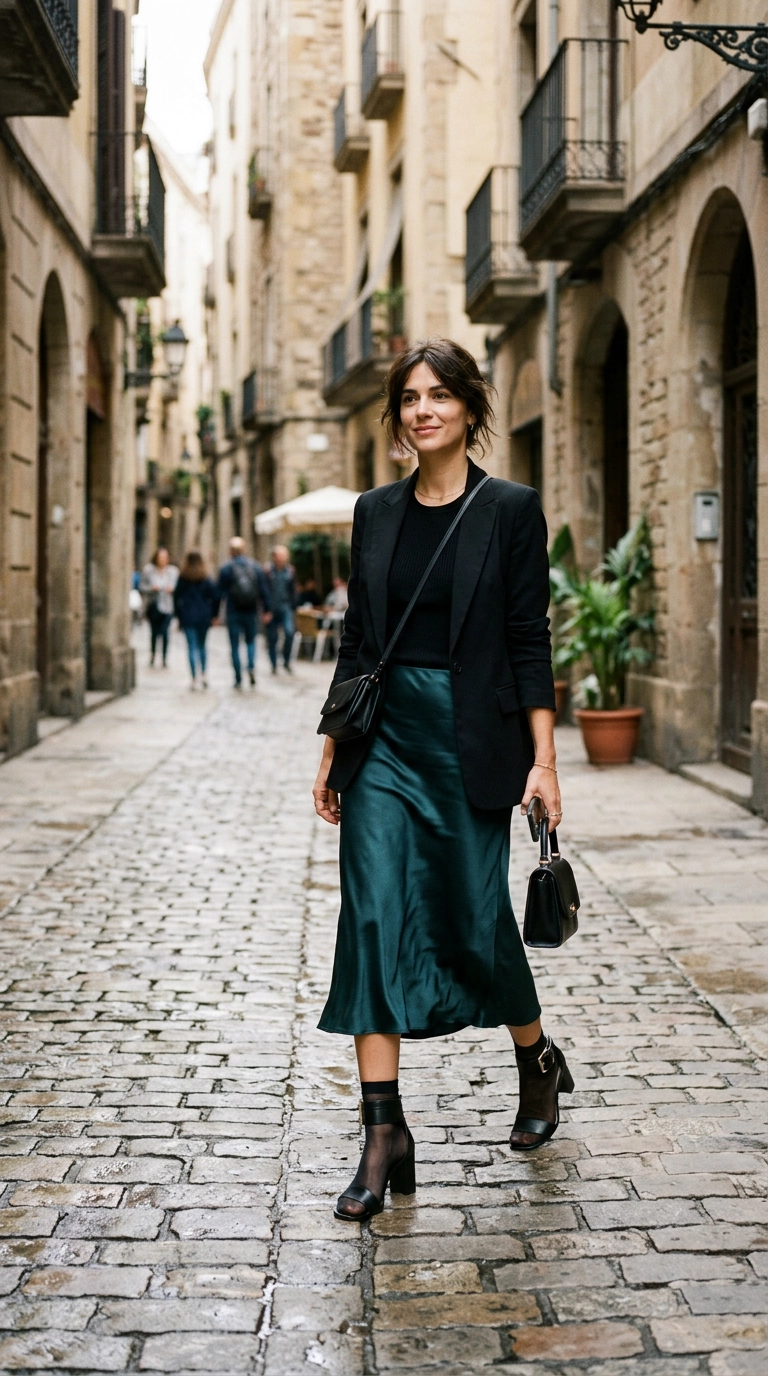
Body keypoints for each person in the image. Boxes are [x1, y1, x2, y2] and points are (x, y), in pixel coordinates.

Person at [312, 338, 569, 1223]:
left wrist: (543, 760)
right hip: (381, 743)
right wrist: (331, 747)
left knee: (471, 920)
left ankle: (536, 1059)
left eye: (439, 396)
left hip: (470, 743)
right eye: (409, 398)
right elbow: (357, 641)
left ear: (468, 407)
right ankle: (383, 1130)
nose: (423, 410)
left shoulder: (510, 510)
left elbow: (531, 640)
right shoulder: (375, 511)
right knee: (373, 915)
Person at [217, 537, 272, 689]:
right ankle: (251, 667)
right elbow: (263, 590)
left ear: (230, 551)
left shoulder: (226, 568)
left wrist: (215, 614)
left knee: (234, 645)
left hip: (233, 611)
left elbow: (219, 593)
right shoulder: (255, 566)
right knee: (250, 642)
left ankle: (238, 677)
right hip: (251, 610)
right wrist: (267, 610)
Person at [174, 551, 218, 690]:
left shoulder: (183, 577)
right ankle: (204, 675)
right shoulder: (205, 577)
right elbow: (215, 597)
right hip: (204, 616)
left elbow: (176, 598)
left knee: (192, 647)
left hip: (188, 616)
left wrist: (179, 616)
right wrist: (214, 615)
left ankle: (194, 678)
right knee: (202, 646)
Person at [140, 548, 179, 668]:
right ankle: (152, 655)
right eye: (160, 557)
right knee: (154, 632)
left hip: (167, 607)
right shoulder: (149, 570)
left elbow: (178, 587)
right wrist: (152, 589)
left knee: (165, 632)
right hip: (153, 606)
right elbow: (142, 587)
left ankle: (164, 657)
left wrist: (172, 590)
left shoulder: (173, 571)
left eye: (165, 557)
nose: (162, 560)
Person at [263, 545, 297, 675]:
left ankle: (286, 661)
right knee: (272, 637)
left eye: (285, 555)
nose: (283, 558)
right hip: (271, 609)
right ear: (274, 557)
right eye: (281, 555)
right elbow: (264, 591)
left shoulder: (290, 571)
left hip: (285, 607)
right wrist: (266, 610)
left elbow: (293, 590)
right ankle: (273, 664)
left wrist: (293, 606)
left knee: (289, 633)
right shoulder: (267, 571)